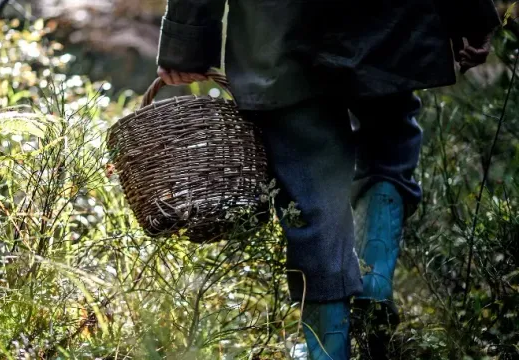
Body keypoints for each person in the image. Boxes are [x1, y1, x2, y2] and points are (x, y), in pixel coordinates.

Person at [154, 1, 501, 359]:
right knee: (389, 144)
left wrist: (186, 44)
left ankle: (328, 349)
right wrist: (472, 16)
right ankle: (375, 278)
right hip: (389, 23)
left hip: (278, 33)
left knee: (310, 192)